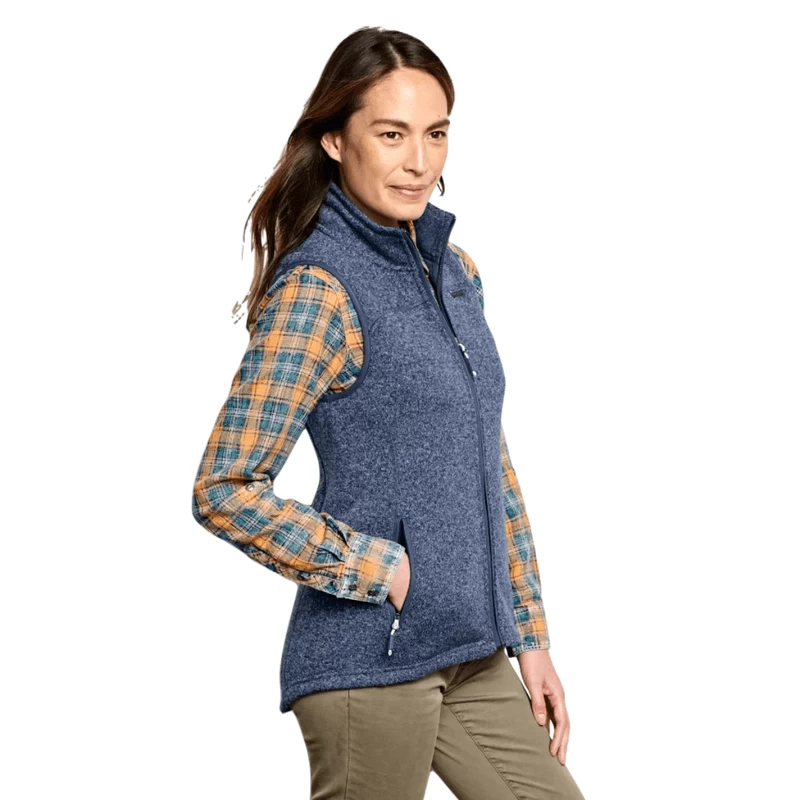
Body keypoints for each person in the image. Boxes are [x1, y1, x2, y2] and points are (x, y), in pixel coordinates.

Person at [192, 26, 585, 800]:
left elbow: (488, 459)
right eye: (392, 134)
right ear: (336, 140)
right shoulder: (319, 289)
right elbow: (224, 487)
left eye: (436, 133)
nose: (419, 161)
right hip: (368, 661)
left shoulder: (455, 271)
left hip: (469, 647)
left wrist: (529, 631)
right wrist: (386, 570)